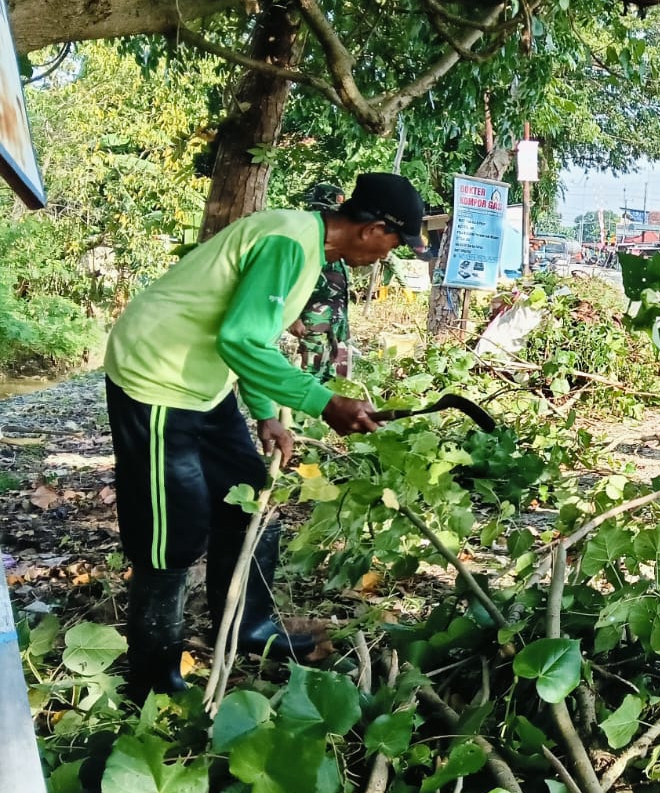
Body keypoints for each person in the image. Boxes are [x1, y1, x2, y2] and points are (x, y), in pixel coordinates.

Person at [105, 173, 428, 698]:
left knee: (251, 499)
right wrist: (324, 403)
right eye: (396, 243)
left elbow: (252, 336)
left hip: (206, 384)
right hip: (158, 379)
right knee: (171, 532)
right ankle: (153, 677)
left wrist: (266, 413)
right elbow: (240, 338)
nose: (389, 255)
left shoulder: (307, 249)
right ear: (373, 230)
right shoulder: (288, 242)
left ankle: (249, 628)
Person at [288, 182, 352, 381]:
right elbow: (288, 280)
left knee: (332, 377)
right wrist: (292, 317)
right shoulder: (304, 237)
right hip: (312, 322)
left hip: (335, 319)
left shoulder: (332, 237)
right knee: (310, 375)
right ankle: (303, 413)